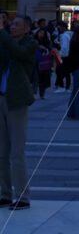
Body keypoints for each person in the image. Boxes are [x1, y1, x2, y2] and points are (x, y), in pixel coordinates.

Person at [0, 14, 37, 211]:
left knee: (16, 152)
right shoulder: (7, 41)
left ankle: (22, 196)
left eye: (16, 25)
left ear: (27, 29)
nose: (12, 27)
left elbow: (18, 53)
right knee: (2, 152)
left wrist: (1, 32)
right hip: (2, 97)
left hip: (17, 101)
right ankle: (5, 194)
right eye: (11, 24)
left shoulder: (30, 44)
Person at [54, 21, 72, 92]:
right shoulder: (69, 35)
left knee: (60, 71)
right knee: (66, 72)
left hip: (64, 56)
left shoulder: (64, 36)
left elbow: (64, 47)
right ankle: (67, 87)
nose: (59, 29)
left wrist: (60, 54)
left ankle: (61, 86)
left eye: (60, 27)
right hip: (67, 55)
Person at [35, 28, 53, 99]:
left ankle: (42, 93)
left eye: (43, 33)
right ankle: (36, 92)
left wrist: (45, 49)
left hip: (45, 62)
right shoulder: (34, 40)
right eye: (40, 33)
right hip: (36, 61)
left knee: (44, 78)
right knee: (36, 77)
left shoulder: (45, 41)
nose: (41, 34)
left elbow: (49, 49)